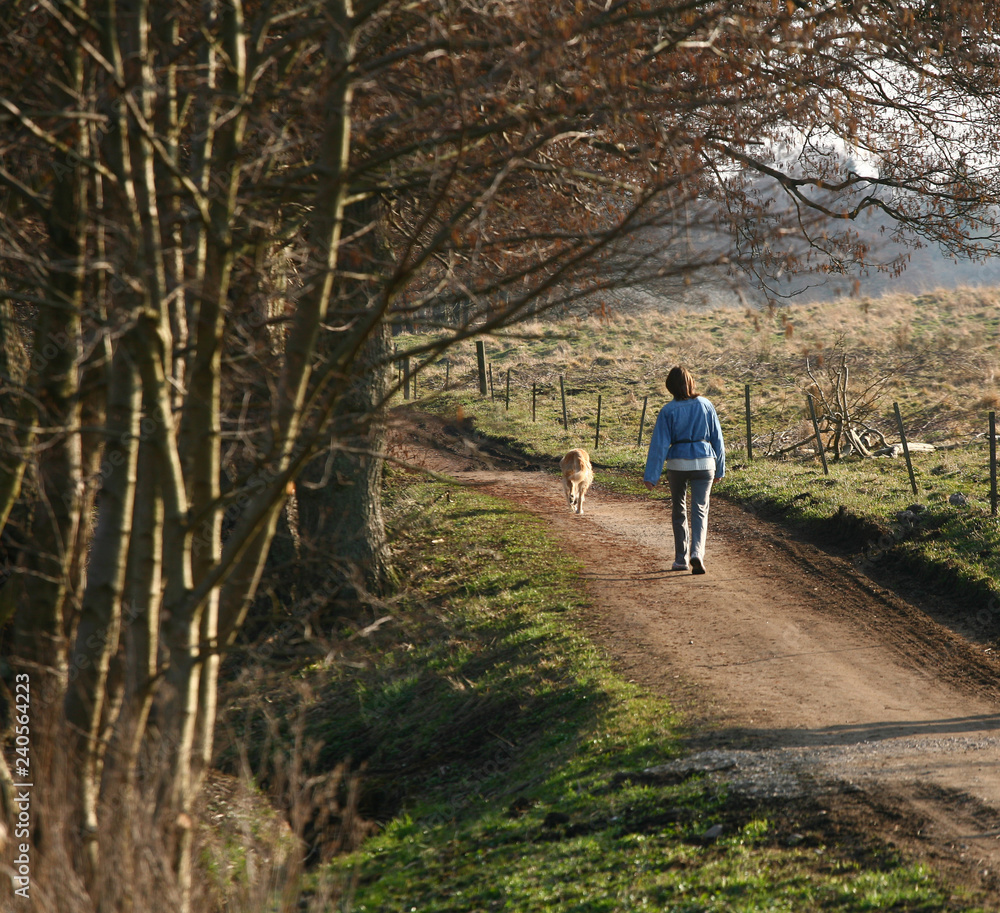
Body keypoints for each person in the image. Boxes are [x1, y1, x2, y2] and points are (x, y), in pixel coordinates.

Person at [643, 366, 725, 575]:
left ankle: (681, 559)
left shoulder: (668, 411)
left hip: (678, 464)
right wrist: (720, 469)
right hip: (705, 462)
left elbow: (659, 445)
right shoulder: (706, 405)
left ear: (670, 386)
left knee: (679, 510)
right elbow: (718, 439)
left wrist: (651, 476)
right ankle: (697, 553)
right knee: (700, 510)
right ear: (691, 382)